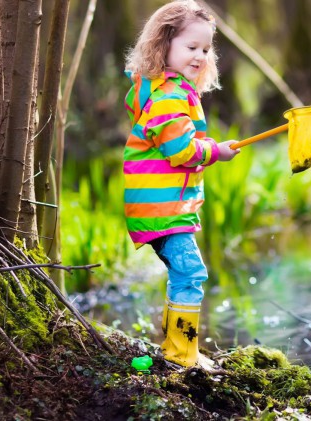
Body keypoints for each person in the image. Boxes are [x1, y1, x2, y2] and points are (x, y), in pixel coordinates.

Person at [123, 0, 239, 369]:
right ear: (163, 45)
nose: (200, 56)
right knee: (191, 272)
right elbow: (181, 150)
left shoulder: (172, 90)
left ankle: (178, 349)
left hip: (167, 205)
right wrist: (215, 151)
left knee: (184, 273)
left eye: (205, 49)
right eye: (191, 47)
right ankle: (182, 354)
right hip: (162, 207)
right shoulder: (168, 95)